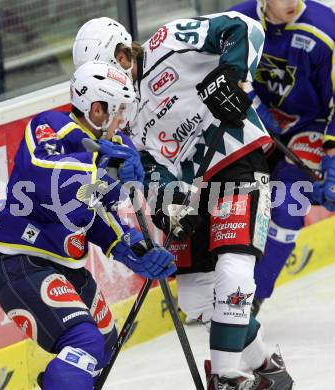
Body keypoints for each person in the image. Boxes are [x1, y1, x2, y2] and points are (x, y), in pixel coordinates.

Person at [73, 14, 294, 389]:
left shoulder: (169, 41)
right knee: (196, 298)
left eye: (110, 70)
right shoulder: (124, 112)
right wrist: (171, 206)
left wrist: (231, 74)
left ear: (124, 54)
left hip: (237, 158)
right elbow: (148, 167)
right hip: (195, 184)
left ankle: (227, 377)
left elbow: (244, 28)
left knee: (233, 269)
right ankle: (266, 367)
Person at [0, 61, 176, 390]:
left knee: (105, 341)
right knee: (84, 342)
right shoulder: (51, 126)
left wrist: (133, 248)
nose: (123, 120)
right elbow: (42, 172)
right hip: (22, 261)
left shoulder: (116, 149)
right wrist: (100, 164)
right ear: (97, 109)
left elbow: (96, 212)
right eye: (119, 110)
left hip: (64, 265)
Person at [230, 0, 335, 315]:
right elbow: (208, 66)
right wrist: (248, 101)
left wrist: (331, 156)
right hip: (254, 122)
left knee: (289, 203)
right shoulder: (237, 20)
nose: (292, 2)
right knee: (230, 197)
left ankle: (250, 300)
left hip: (310, 125)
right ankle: (216, 283)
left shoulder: (324, 28)